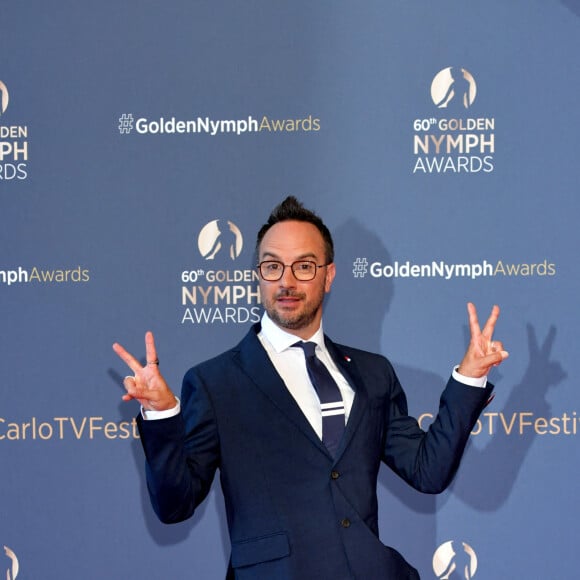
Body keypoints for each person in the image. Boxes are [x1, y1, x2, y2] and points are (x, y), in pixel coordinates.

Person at [113, 196, 508, 579]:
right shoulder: (215, 382)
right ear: (258, 276)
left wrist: (469, 377)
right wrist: (161, 413)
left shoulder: (373, 373)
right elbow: (174, 505)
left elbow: (428, 472)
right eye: (272, 267)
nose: (286, 281)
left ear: (328, 276)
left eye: (303, 266)